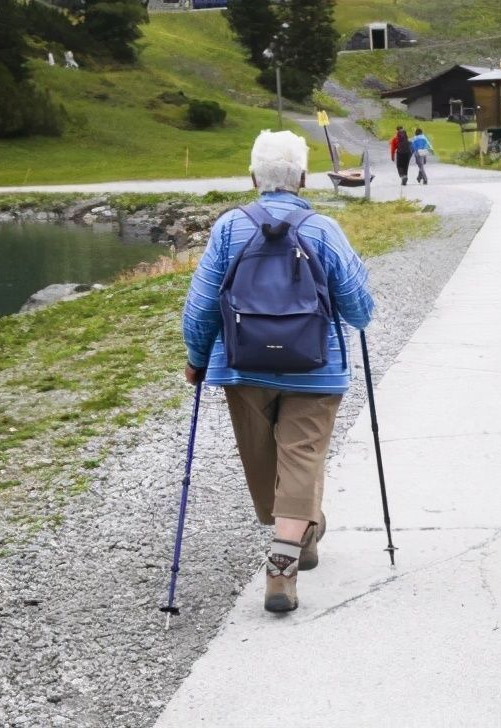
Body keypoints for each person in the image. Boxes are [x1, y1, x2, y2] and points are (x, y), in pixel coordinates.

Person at [182, 130, 375, 613]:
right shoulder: (324, 229)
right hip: (316, 368)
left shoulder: (229, 228)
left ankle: (288, 546)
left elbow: (202, 303)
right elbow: (358, 309)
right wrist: (361, 307)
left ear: (253, 177)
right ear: (304, 179)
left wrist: (197, 358)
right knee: (302, 457)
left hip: (244, 366)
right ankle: (289, 557)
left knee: (264, 462)